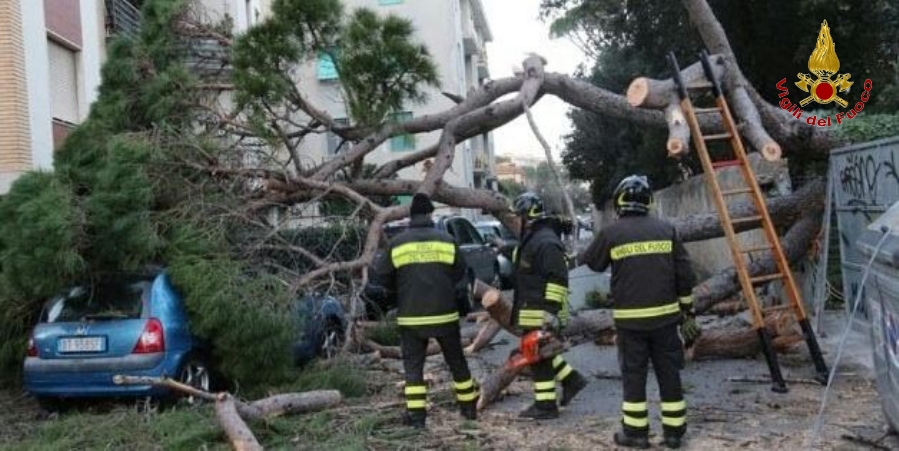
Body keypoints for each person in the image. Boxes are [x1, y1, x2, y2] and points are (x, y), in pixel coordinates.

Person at [579, 175, 701, 449]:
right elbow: (685, 275)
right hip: (667, 321)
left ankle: (635, 434)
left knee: (634, 376)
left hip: (630, 324)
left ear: (620, 201)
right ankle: (674, 433)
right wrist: (689, 313)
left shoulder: (612, 233)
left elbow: (594, 264)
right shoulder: (666, 230)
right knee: (669, 373)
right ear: (648, 201)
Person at [374, 193, 479, 428]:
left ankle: (417, 419)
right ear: (431, 214)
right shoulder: (446, 240)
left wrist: (400, 292)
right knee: (457, 364)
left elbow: (382, 277)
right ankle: (469, 411)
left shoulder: (397, 243)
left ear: (411, 216)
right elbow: (460, 272)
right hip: (445, 315)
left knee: (414, 370)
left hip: (411, 318)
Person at [511, 192, 589, 419]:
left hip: (542, 310)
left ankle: (545, 406)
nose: (517, 220)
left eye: (520, 216)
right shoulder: (535, 237)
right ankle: (572, 380)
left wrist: (550, 312)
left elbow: (557, 278)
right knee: (540, 353)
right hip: (533, 308)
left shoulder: (545, 241)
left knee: (537, 356)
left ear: (529, 216)